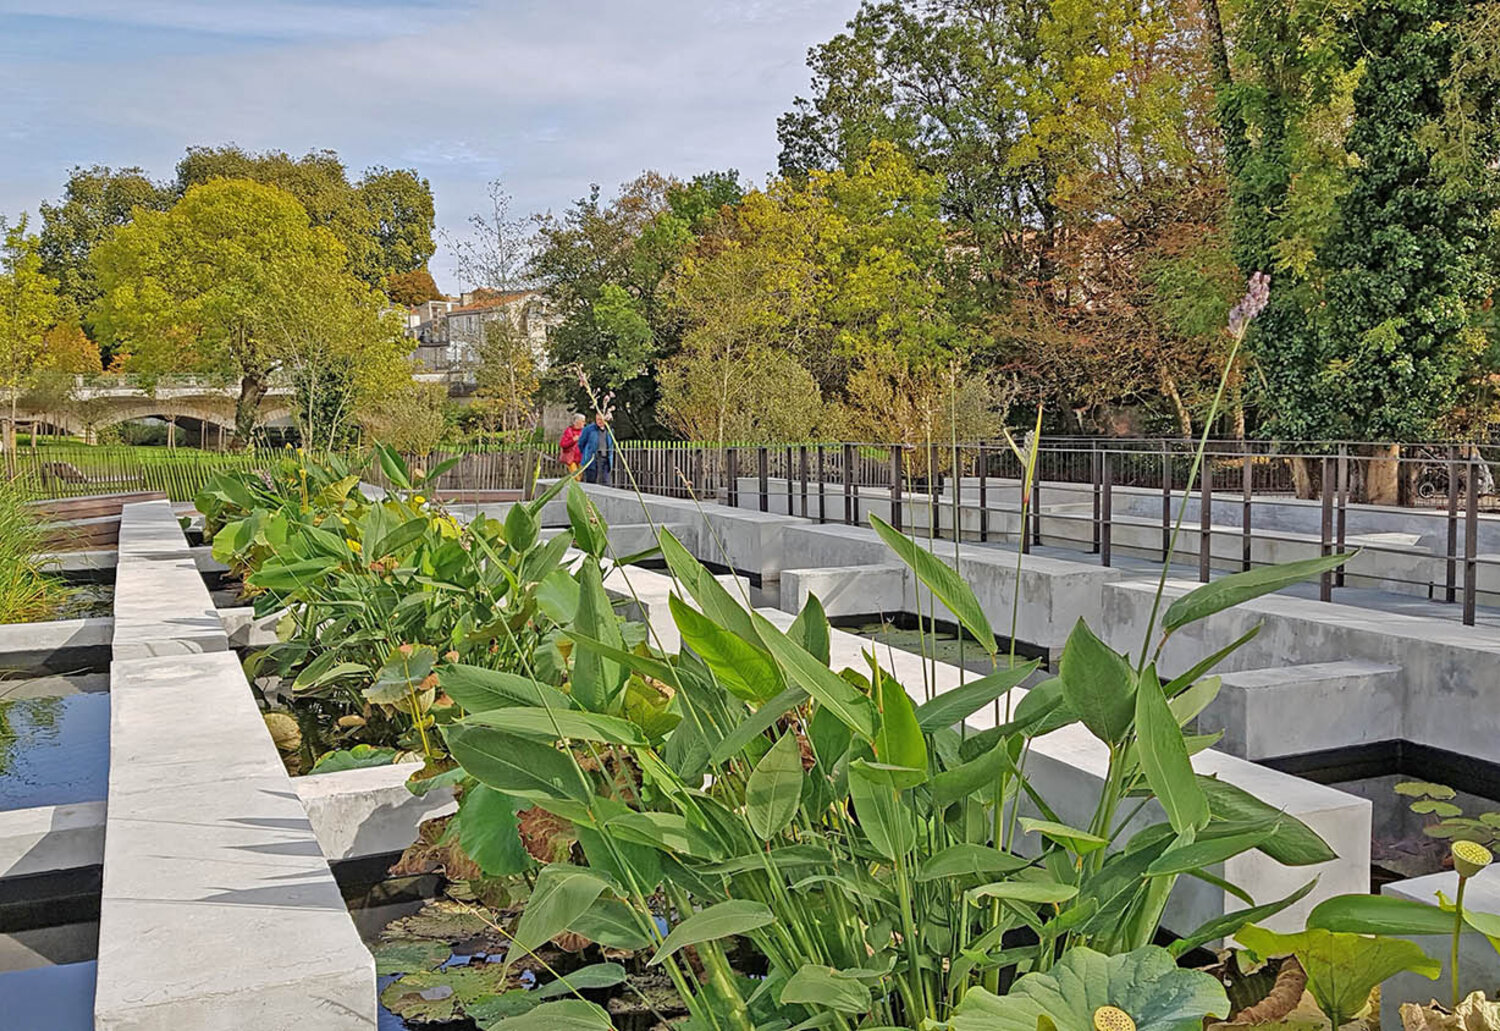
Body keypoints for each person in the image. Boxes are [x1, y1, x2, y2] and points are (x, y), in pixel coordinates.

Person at [578, 411, 614, 486]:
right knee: (591, 480)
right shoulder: (589, 429)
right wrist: (587, 453)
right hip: (593, 458)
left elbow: (611, 444)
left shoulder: (610, 430)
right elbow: (581, 443)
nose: (600, 421)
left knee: (606, 481)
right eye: (598, 419)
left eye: (601, 419)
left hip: (605, 458)